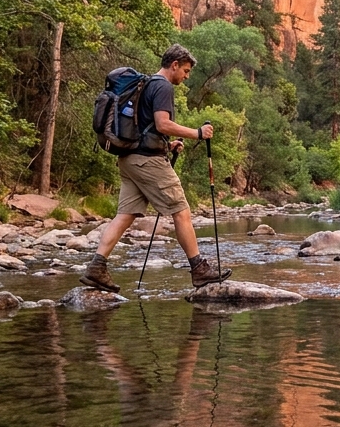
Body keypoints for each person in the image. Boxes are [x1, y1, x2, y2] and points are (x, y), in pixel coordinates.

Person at [81, 44, 232, 292]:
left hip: (129, 159)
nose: (186, 76)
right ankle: (199, 270)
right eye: (185, 70)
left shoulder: (147, 84)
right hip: (147, 162)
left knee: (125, 215)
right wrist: (197, 133)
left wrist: (167, 145)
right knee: (181, 211)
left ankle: (96, 269)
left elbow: (147, 127)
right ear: (174, 65)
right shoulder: (162, 86)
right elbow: (163, 124)